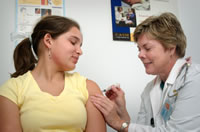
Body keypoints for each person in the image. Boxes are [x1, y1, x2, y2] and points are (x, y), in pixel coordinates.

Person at [91, 12, 200, 132]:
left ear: (170, 48)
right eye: (139, 49)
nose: (140, 55)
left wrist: (117, 122)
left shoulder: (194, 78)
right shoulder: (149, 89)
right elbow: (143, 129)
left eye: (147, 48)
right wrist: (122, 111)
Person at [0, 15, 106, 132]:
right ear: (48, 41)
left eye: (80, 46)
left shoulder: (89, 87)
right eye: (73, 42)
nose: (80, 51)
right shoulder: (12, 89)